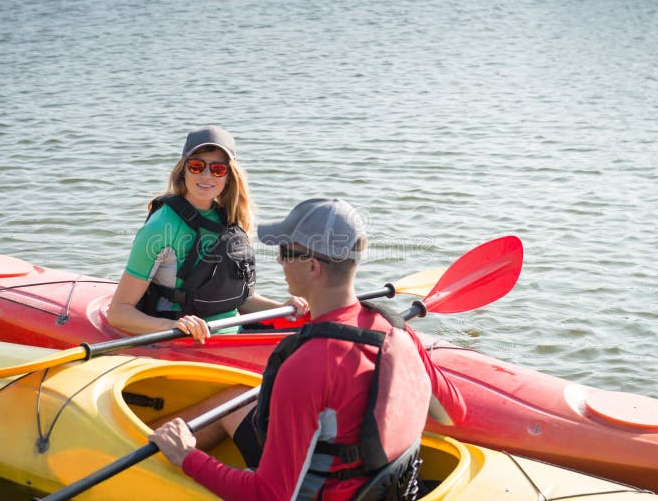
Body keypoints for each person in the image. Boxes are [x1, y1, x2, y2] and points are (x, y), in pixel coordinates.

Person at [149, 198, 465, 500]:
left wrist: (187, 457)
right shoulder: (395, 329)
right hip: (387, 489)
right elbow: (454, 412)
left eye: (286, 251)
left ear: (313, 268)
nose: (278, 260)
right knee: (236, 402)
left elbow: (269, 495)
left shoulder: (307, 367)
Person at [108, 125, 308, 341]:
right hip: (188, 340)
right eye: (196, 166)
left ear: (228, 176)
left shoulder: (228, 218)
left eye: (217, 169)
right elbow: (118, 312)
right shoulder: (160, 227)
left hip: (234, 334)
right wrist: (174, 325)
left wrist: (281, 307)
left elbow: (233, 298)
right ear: (183, 170)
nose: (206, 175)